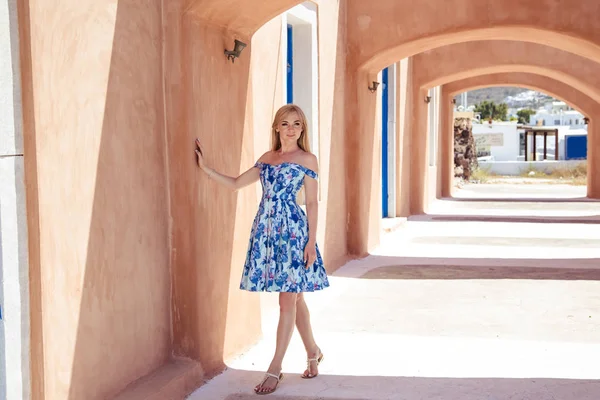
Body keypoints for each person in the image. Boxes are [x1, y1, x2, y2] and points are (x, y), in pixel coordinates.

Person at [195, 104, 329, 395]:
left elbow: (314, 202)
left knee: (287, 302)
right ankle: (313, 352)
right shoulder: (267, 159)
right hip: (267, 233)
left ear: (302, 129)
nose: (291, 128)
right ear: (277, 128)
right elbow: (234, 184)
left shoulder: (308, 159)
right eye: (285, 123)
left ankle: (275, 368)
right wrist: (206, 169)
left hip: (294, 234)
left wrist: (311, 242)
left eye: (296, 123)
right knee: (295, 300)